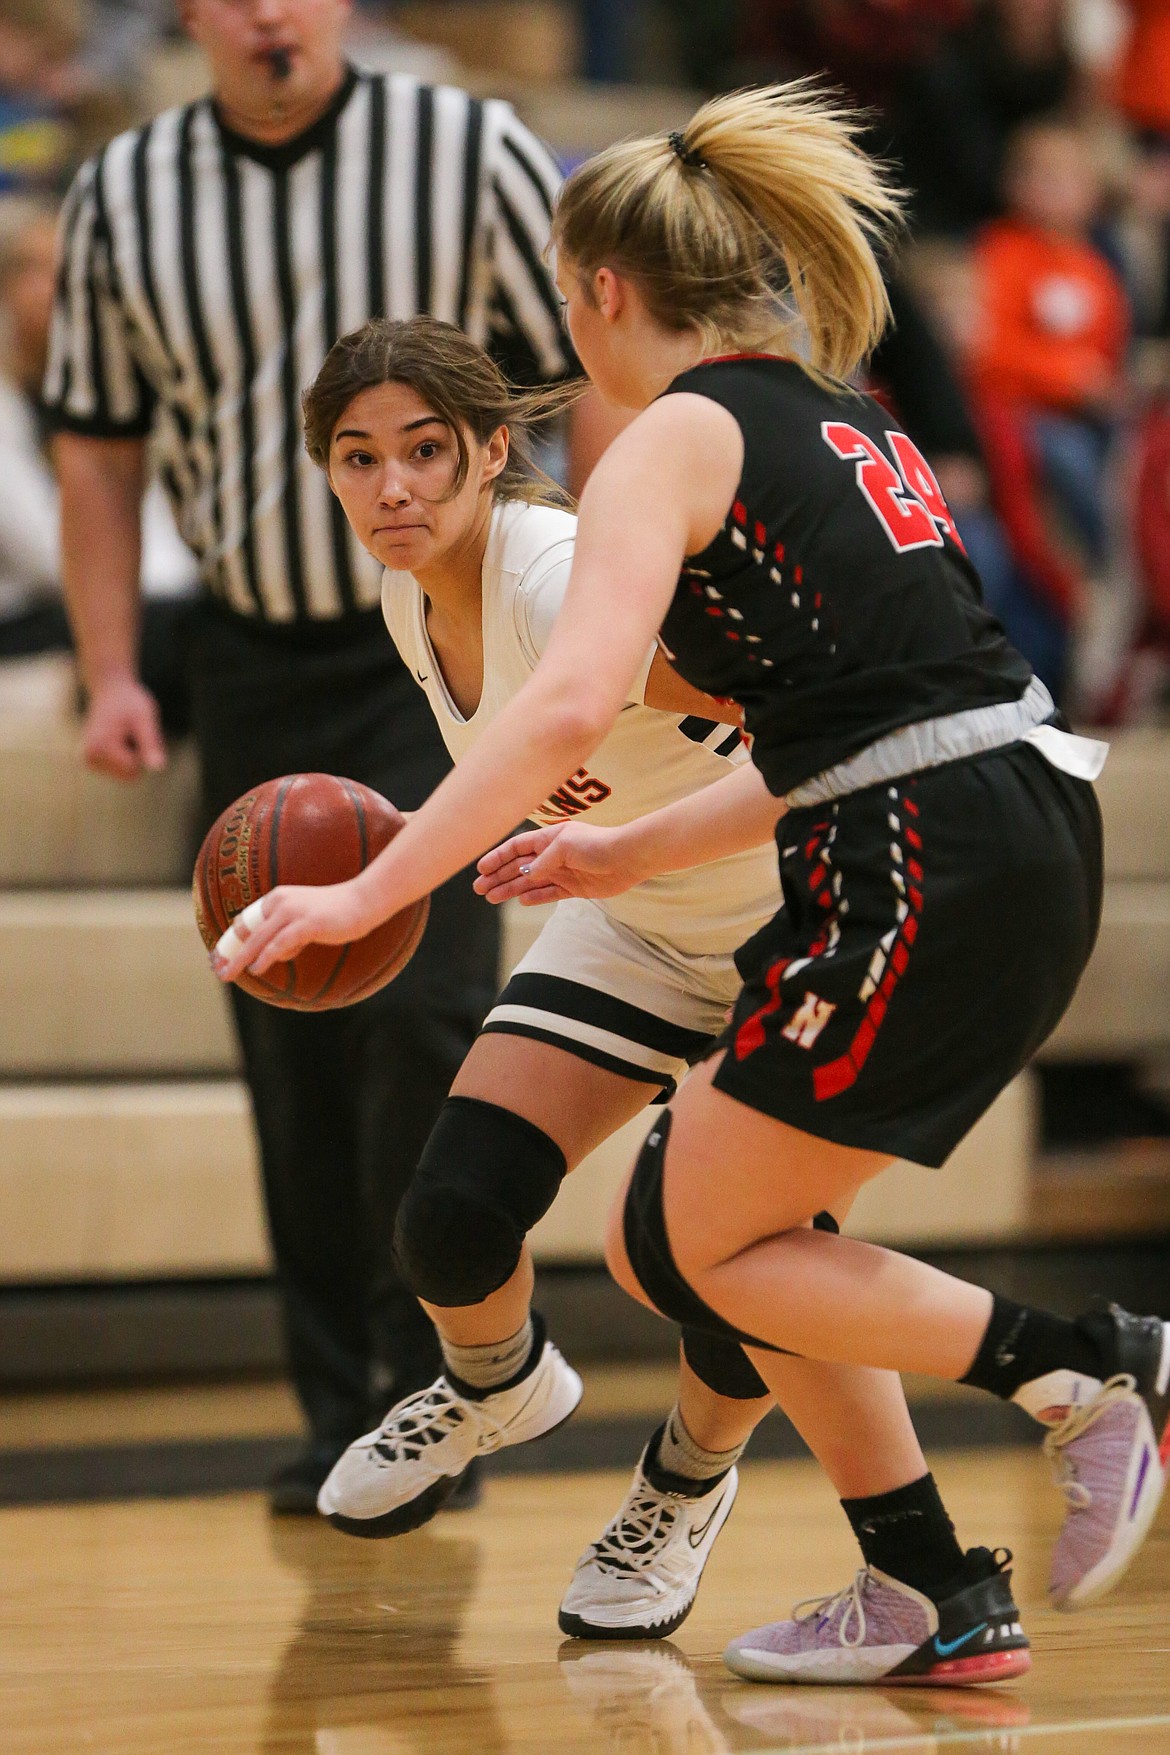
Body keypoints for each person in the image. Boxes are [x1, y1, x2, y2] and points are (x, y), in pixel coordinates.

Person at [214, 83, 1167, 1687]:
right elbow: (842, 716)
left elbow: (579, 704)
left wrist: (371, 890)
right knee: (699, 1233)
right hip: (989, 821)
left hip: (900, 857)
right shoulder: (831, 408)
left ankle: (1089, 1372)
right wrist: (612, 855)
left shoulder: (671, 433)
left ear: (597, 293)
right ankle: (931, 1591)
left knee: (694, 1240)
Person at [278, 312, 1006, 1652]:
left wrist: (401, 881)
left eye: (425, 451)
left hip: (792, 925)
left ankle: (682, 1484)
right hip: (634, 924)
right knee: (448, 1218)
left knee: (725, 1268)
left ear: (495, 450)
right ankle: (494, 1382)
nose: (390, 486)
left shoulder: (556, 576)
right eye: (357, 456)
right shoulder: (402, 595)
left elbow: (795, 718)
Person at [44, 0, 581, 1514]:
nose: (270, 9)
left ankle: (446, 1393)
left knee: (427, 1023)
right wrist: (105, 671)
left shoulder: (465, 143)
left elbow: (574, 383)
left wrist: (596, 609)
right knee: (286, 1033)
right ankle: (334, 1415)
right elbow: (97, 446)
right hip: (250, 651)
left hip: (441, 647)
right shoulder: (121, 192)